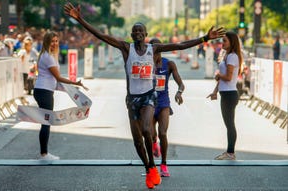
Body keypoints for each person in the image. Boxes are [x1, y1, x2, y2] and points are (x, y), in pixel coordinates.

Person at [64, 2, 225, 189]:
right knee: (137, 141)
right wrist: (80, 19)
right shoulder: (126, 48)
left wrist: (205, 37)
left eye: (141, 31)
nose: (138, 33)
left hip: (149, 96)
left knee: (148, 130)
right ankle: (150, 167)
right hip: (132, 99)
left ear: (146, 35)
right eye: (135, 31)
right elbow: (101, 35)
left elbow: (180, 45)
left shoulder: (153, 49)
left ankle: (154, 166)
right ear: (132, 35)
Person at [34, 31, 85, 160]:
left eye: (56, 41)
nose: (55, 43)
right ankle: (44, 154)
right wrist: (75, 82)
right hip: (44, 92)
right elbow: (58, 77)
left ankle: (44, 153)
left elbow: (53, 80)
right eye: (52, 41)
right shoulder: (48, 57)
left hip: (44, 90)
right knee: (46, 122)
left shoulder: (48, 55)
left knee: (46, 121)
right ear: (47, 42)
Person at [149, 38, 184, 177]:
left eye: (158, 48)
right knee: (151, 135)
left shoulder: (169, 64)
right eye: (152, 48)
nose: (155, 51)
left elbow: (181, 83)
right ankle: (153, 143)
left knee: (163, 133)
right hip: (149, 103)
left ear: (162, 49)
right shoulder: (146, 64)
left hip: (163, 103)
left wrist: (179, 92)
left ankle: (163, 164)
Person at [207, 31, 243, 160]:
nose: (222, 43)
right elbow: (223, 78)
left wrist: (218, 75)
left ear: (231, 42)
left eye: (225, 41)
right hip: (226, 94)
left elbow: (227, 77)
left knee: (230, 124)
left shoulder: (232, 56)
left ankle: (230, 152)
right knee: (228, 124)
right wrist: (215, 91)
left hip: (230, 95)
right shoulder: (227, 55)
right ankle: (229, 152)